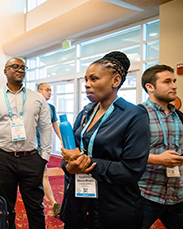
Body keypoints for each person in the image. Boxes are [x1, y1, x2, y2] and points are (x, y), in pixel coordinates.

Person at [60, 51, 150, 229]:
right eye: (86, 79)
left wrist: (86, 164)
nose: (87, 85)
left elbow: (132, 170)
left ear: (115, 81)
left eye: (94, 79)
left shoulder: (134, 115)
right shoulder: (86, 112)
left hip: (114, 206)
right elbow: (71, 155)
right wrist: (68, 166)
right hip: (79, 202)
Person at [0, 57, 52, 229]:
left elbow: (46, 128)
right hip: (3, 159)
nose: (20, 70)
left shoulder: (37, 98)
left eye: (23, 67)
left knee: (35, 207)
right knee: (6, 207)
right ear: (5, 71)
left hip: (31, 159)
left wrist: (44, 157)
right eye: (15, 66)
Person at [138, 65, 183, 229]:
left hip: (178, 195)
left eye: (174, 81)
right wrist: (157, 159)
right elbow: (123, 154)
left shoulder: (179, 116)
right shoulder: (137, 114)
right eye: (167, 81)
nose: (174, 85)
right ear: (150, 87)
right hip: (147, 194)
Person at [37, 82, 62, 216]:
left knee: (43, 175)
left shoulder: (51, 107)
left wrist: (62, 140)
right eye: (47, 90)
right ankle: (52, 202)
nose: (50, 92)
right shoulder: (33, 105)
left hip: (44, 147)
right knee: (39, 175)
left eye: (51, 90)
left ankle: (53, 204)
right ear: (39, 91)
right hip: (31, 145)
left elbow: (55, 125)